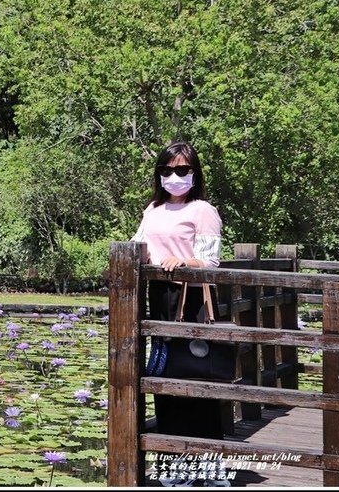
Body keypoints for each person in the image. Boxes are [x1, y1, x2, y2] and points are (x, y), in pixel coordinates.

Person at [131, 141, 230, 487]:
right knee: (164, 381)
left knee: (196, 383)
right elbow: (137, 247)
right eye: (167, 170)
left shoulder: (202, 209)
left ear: (194, 173)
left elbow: (211, 261)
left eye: (182, 170)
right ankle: (174, 471)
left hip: (191, 302)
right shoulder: (152, 210)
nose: (174, 176)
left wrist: (184, 262)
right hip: (159, 298)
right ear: (159, 174)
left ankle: (208, 471)